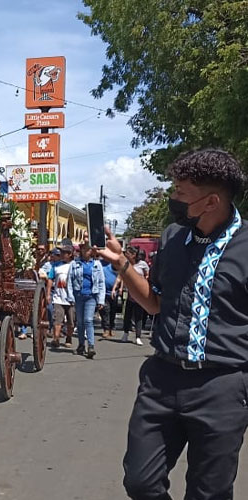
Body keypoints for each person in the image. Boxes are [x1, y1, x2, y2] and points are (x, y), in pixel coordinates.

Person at [95, 149, 248, 500]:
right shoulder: (174, 237)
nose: (173, 199)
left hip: (221, 385)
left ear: (211, 202)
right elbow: (154, 302)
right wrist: (122, 265)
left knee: (209, 492)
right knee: (140, 482)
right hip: (162, 380)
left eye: (180, 193)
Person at [68, 243, 105, 358]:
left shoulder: (97, 265)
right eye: (84, 249)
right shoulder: (74, 264)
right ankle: (80, 345)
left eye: (88, 249)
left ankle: (91, 346)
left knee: (88, 320)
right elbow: (69, 280)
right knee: (79, 322)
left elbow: (101, 283)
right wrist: (70, 296)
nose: (86, 251)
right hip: (78, 295)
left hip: (91, 296)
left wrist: (101, 300)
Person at [113, 246, 148, 345]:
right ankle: (125, 333)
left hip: (140, 294)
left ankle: (138, 336)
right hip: (130, 294)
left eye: (127, 253)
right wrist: (117, 287)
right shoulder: (126, 264)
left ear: (133, 255)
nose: (125, 255)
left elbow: (147, 275)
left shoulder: (142, 264)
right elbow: (121, 276)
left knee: (138, 316)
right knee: (127, 314)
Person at [46, 246, 75, 348]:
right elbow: (50, 279)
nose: (61, 254)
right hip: (58, 297)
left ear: (70, 254)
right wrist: (48, 293)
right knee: (57, 319)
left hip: (71, 298)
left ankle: (69, 337)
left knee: (71, 322)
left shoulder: (75, 265)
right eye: (61, 252)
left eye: (64, 252)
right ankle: (56, 338)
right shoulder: (56, 266)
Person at [100, 259, 118, 338]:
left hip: (114, 292)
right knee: (105, 311)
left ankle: (112, 327)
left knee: (113, 311)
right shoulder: (102, 265)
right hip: (104, 292)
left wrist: (120, 288)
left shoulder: (115, 266)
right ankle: (106, 329)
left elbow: (121, 276)